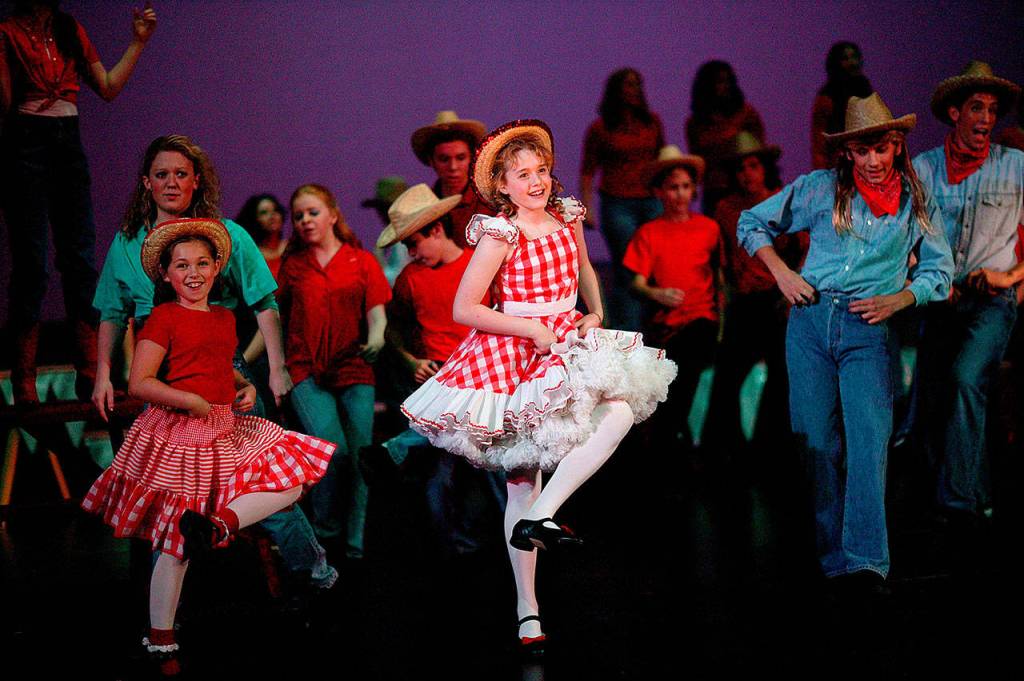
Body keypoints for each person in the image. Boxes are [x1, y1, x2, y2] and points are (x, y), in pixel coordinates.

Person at [401, 120, 676, 656]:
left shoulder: (567, 216)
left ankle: (541, 515)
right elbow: (466, 308)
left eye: (542, 171)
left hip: (567, 344)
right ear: (502, 185)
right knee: (521, 479)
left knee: (619, 410)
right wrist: (529, 327)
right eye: (523, 175)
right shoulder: (500, 233)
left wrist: (594, 309)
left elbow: (583, 271)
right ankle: (528, 605)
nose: (536, 182)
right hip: (516, 353)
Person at [81, 217, 334, 677]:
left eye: (202, 263)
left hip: (224, 424)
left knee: (291, 482)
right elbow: (141, 381)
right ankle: (161, 637)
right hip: (180, 431)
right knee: (176, 540)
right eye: (182, 265)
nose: (193, 272)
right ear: (166, 274)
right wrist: (191, 400)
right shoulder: (164, 316)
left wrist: (244, 386)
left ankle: (217, 525)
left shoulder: (221, 316)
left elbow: (219, 364)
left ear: (217, 266)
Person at [91, 135, 335, 592]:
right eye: (161, 174)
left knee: (257, 475)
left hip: (219, 358)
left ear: (196, 180)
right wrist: (104, 373)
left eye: (181, 174)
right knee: (157, 483)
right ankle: (155, 599)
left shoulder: (225, 235)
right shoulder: (126, 244)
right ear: (146, 182)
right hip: (158, 364)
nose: (171, 182)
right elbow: (111, 311)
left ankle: (313, 572)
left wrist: (276, 367)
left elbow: (264, 301)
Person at [737, 93, 953, 593]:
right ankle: (832, 556)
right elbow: (752, 222)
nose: (873, 161)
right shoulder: (820, 188)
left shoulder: (916, 200)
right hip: (811, 320)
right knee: (815, 442)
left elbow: (940, 269)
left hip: (868, 326)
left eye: (881, 149)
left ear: (897, 145)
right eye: (862, 152)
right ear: (848, 154)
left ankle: (865, 561)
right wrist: (783, 274)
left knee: (867, 442)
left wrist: (902, 298)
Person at [0, 0, 156, 403]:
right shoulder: (9, 32)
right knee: (32, 262)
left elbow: (106, 87)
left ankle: (90, 372)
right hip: (25, 139)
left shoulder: (69, 28)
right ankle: (24, 381)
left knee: (81, 260)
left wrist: (137, 42)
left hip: (67, 140)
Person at [365, 183, 506, 557]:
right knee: (440, 479)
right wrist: (412, 360)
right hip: (440, 377)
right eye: (407, 246)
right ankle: (454, 552)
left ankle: (397, 448)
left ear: (437, 230)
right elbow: (395, 326)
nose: (411, 253)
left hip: (481, 377)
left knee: (494, 470)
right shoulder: (411, 278)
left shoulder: (478, 265)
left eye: (414, 243)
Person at [913, 62, 1023, 531]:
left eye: (993, 110)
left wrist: (1010, 277)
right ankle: (966, 495)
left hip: (994, 302)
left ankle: (960, 500)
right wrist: (931, 279)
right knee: (932, 394)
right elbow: (909, 241)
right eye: (977, 107)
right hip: (943, 301)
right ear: (955, 112)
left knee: (965, 379)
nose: (986, 118)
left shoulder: (1016, 166)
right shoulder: (923, 169)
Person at [278, 183, 390, 559]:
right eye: (299, 216)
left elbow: (377, 312)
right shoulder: (292, 266)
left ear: (332, 214)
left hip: (354, 365)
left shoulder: (361, 260)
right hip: (306, 368)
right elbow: (274, 319)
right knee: (330, 451)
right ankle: (327, 534)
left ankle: (355, 544)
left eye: (312, 212)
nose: (306, 221)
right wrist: (272, 366)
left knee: (360, 457)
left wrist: (376, 336)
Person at [704, 132, 806, 460]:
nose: (747, 174)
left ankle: (770, 449)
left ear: (764, 169)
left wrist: (793, 293)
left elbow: (806, 248)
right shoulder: (726, 208)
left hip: (778, 298)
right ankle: (725, 451)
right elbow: (722, 259)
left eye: (753, 166)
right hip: (744, 301)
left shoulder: (782, 201)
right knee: (727, 374)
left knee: (783, 372)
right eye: (741, 168)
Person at [623, 145, 721, 464]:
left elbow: (720, 279)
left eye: (685, 186)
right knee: (673, 367)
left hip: (702, 319)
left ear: (693, 190)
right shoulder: (650, 233)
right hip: (667, 325)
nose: (679, 194)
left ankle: (666, 442)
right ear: (659, 191)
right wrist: (658, 293)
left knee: (690, 354)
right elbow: (635, 282)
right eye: (672, 187)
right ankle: (668, 442)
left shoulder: (709, 228)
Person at [580, 67, 665, 331]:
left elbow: (662, 161)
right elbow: (588, 170)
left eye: (636, 84)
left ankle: (658, 329)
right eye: (627, 85)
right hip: (618, 203)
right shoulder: (601, 128)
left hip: (652, 200)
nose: (632, 90)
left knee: (658, 266)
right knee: (629, 269)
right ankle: (629, 334)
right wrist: (588, 208)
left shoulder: (652, 122)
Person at [234, 192, 288, 420]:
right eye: (263, 212)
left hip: (292, 327)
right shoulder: (252, 254)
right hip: (259, 327)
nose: (271, 216)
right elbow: (263, 303)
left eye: (274, 210)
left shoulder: (292, 248)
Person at [686, 60, 765, 217]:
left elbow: (760, 152)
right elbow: (697, 159)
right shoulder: (696, 122)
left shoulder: (746, 114)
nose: (726, 86)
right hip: (715, 188)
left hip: (745, 187)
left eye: (729, 81)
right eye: (720, 81)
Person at [410, 110, 492, 248]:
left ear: (472, 158)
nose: (453, 167)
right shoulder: (422, 208)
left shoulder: (489, 201)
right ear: (431, 160)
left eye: (460, 158)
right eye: (444, 159)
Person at [811, 42, 873, 169]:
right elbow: (819, 146)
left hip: (869, 161)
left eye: (854, 57)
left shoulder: (865, 89)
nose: (852, 62)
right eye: (845, 58)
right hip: (839, 165)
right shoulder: (827, 96)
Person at [361, 175, 410, 285]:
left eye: (382, 208)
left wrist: (378, 264)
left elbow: (398, 278)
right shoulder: (395, 235)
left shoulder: (404, 238)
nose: (379, 214)